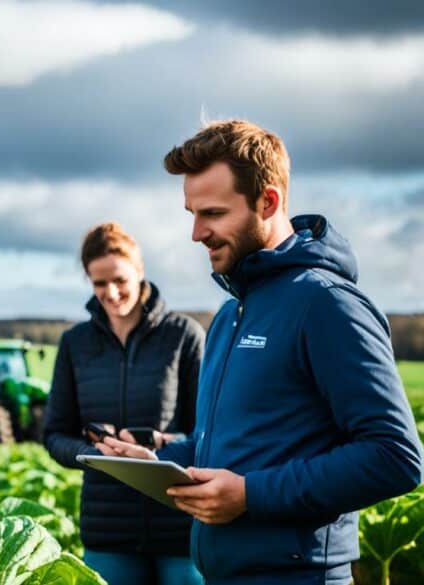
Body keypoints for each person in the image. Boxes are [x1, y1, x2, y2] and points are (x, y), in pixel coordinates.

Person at [97, 119, 424, 584]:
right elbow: (239, 447)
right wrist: (160, 466)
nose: (196, 233)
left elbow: (396, 456)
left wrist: (252, 494)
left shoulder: (326, 304)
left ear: (267, 202)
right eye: (191, 213)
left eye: (212, 213)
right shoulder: (231, 314)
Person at [43, 222, 205, 585]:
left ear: (140, 272)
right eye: (99, 284)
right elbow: (54, 433)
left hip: (178, 522)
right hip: (107, 529)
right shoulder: (75, 344)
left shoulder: (184, 336)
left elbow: (208, 431)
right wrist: (95, 454)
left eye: (120, 280)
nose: (112, 293)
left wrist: (159, 443)